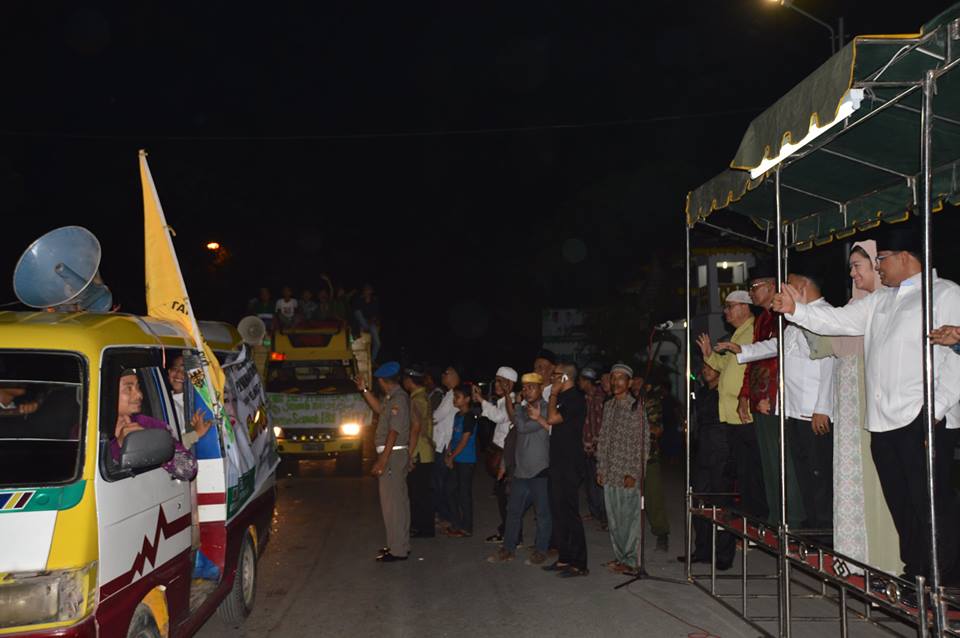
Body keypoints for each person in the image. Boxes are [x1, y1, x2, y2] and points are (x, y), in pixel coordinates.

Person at [773, 223, 960, 585]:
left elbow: (954, 360)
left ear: (905, 258)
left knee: (931, 504)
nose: (878, 267)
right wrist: (796, 310)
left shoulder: (944, 293)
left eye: (882, 259)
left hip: (923, 418)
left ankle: (944, 579)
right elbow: (837, 321)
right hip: (882, 420)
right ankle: (915, 574)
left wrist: (934, 410)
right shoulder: (881, 300)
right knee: (901, 504)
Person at [803, 241, 900, 574]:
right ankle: (855, 556)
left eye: (858, 266)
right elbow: (828, 347)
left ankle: (883, 560)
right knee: (852, 481)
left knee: (875, 483)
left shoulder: (885, 307)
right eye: (851, 267)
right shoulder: (855, 307)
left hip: (870, 404)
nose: (852, 274)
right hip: (848, 408)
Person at [720, 268, 833, 533]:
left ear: (802, 287)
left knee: (818, 476)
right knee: (803, 474)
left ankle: (825, 535)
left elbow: (829, 363)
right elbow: (775, 347)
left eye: (788, 285)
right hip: (792, 409)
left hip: (812, 410)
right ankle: (809, 533)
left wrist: (823, 407)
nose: (783, 290)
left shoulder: (823, 315)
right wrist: (742, 350)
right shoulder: (796, 319)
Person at [735, 262, 806, 527]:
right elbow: (754, 360)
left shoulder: (782, 316)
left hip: (776, 398)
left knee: (781, 459)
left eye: (755, 286)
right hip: (760, 397)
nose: (751, 292)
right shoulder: (762, 319)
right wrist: (745, 395)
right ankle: (776, 516)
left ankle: (792, 517)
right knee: (768, 462)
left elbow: (781, 358)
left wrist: (771, 396)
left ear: (772, 286)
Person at [696, 289, 766, 520]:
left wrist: (746, 396)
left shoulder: (754, 330)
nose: (725, 312)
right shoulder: (738, 334)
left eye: (730, 306)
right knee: (742, 466)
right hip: (732, 414)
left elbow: (754, 368)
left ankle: (757, 512)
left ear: (745, 307)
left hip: (746, 411)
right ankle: (749, 509)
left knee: (751, 466)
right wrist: (709, 354)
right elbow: (724, 366)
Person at [488, 373, 552, 565]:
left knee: (542, 513)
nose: (526, 391)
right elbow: (514, 422)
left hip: (540, 469)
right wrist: (510, 398)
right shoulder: (524, 409)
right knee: (513, 511)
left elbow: (522, 427)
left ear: (540, 388)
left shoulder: (546, 409)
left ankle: (541, 550)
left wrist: (517, 407)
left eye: (531, 387)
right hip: (521, 470)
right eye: (524, 388)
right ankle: (508, 548)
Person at [356, 361, 411, 562]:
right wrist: (364, 391)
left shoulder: (398, 399)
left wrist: (382, 460)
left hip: (392, 456)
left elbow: (394, 432)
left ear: (382, 381)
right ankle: (398, 544)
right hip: (394, 455)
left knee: (393, 504)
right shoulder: (393, 397)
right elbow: (380, 410)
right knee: (396, 502)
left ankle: (398, 550)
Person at [597, 363, 648, 575]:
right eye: (613, 377)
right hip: (610, 471)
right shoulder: (609, 406)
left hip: (627, 473)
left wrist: (635, 474)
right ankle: (620, 557)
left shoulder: (636, 407)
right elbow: (603, 439)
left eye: (620, 378)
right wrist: (601, 468)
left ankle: (632, 561)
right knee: (615, 519)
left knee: (630, 520)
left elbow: (643, 444)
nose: (615, 382)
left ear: (629, 383)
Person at [684, 362, 735, 569]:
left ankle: (724, 555)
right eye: (704, 367)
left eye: (710, 367)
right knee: (700, 502)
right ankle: (703, 550)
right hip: (703, 450)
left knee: (721, 504)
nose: (705, 370)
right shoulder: (701, 392)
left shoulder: (725, 390)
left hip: (722, 450)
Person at [540, 362, 589, 577]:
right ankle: (565, 557)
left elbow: (553, 419)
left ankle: (580, 563)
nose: (551, 378)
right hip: (557, 461)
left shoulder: (575, 399)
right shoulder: (562, 398)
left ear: (564, 378)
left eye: (555, 375)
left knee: (570, 512)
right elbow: (552, 425)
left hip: (570, 463)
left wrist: (552, 395)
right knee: (558, 511)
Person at [110, 369, 197, 481]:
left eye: (138, 387)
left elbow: (188, 469)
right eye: (128, 388)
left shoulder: (148, 425)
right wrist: (118, 445)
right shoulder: (90, 429)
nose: (139, 395)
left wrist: (148, 444)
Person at [475, 366, 518, 544]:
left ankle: (512, 535)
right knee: (503, 497)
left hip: (506, 455)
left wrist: (481, 400)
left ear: (510, 384)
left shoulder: (512, 401)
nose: (497, 385)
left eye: (501, 381)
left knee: (507, 497)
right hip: (501, 452)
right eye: (496, 381)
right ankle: (507, 532)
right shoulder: (502, 400)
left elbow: (499, 417)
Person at [633, 373, 670, 551]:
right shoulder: (627, 401)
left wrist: (640, 424)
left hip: (648, 455)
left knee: (653, 496)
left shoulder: (650, 402)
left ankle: (661, 532)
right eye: (634, 381)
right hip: (629, 457)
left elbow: (657, 429)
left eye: (639, 381)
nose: (635, 384)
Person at [403, 365, 435, 539]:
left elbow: (415, 429)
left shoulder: (416, 400)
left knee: (419, 493)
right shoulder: (422, 397)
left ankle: (423, 527)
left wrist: (409, 455)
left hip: (419, 452)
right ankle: (423, 526)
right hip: (424, 451)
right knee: (421, 492)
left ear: (409, 381)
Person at [444, 384, 478, 537]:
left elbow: (464, 440)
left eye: (458, 397)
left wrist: (452, 456)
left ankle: (466, 527)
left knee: (464, 494)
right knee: (450, 490)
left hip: (466, 460)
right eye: (454, 396)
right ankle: (456, 523)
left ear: (467, 399)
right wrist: (449, 451)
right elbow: (454, 437)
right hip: (456, 458)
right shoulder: (458, 415)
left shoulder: (470, 416)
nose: (454, 399)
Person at [431, 365, 460, 530]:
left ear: (454, 375)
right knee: (441, 483)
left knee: (440, 483)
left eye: (446, 373)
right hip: (443, 443)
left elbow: (436, 417)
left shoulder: (453, 396)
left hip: (445, 444)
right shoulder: (449, 394)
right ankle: (444, 515)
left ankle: (446, 516)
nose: (443, 376)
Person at [579, 367, 607, 528]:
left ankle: (604, 517)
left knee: (599, 482)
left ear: (587, 381)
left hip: (597, 448)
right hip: (586, 447)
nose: (579, 383)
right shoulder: (585, 398)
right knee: (590, 482)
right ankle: (594, 511)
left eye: (581, 380)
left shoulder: (599, 398)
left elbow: (601, 425)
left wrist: (596, 444)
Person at [166, 356, 213, 448]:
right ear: (169, 372)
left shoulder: (204, 401)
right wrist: (196, 434)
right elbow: (169, 447)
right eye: (175, 369)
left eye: (185, 370)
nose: (179, 373)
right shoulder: (164, 403)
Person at [352, 283, 381, 361]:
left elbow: (376, 315)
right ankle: (360, 360)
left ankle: (372, 360)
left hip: (371, 324)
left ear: (371, 291)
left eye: (368, 290)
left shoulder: (374, 301)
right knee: (357, 312)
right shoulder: (359, 300)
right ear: (363, 291)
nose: (367, 292)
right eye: (365, 290)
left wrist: (373, 320)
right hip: (361, 324)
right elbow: (356, 313)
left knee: (378, 343)